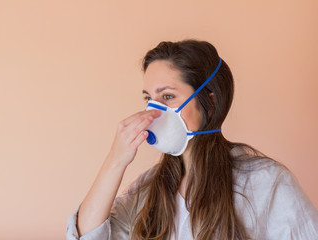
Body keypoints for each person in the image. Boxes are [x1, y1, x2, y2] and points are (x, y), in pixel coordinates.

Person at [66, 40, 318, 240]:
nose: (153, 111)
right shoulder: (149, 188)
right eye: (148, 99)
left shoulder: (266, 181)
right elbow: (87, 236)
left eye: (167, 96)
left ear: (210, 101)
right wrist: (115, 161)